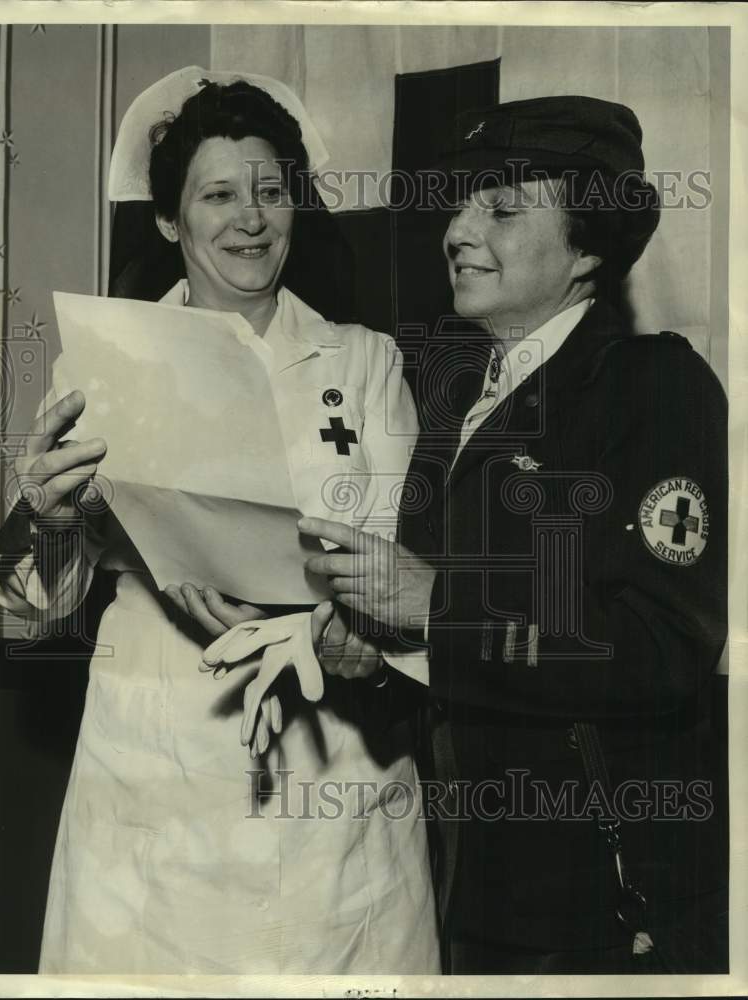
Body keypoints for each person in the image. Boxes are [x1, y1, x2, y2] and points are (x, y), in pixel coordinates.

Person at [0, 68, 438, 974]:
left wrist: (345, 624)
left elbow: (402, 568)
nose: (251, 218)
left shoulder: (363, 363)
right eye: (219, 195)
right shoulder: (105, 365)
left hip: (333, 763)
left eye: (272, 191)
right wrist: (46, 518)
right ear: (170, 221)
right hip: (159, 757)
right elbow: (32, 611)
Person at [299, 96, 728, 973]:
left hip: (601, 907)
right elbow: (453, 664)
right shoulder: (454, 399)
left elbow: (660, 647)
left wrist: (436, 607)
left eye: (500, 209)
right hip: (463, 887)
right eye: (459, 206)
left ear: (589, 248)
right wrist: (375, 664)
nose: (458, 231)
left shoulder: (651, 387)